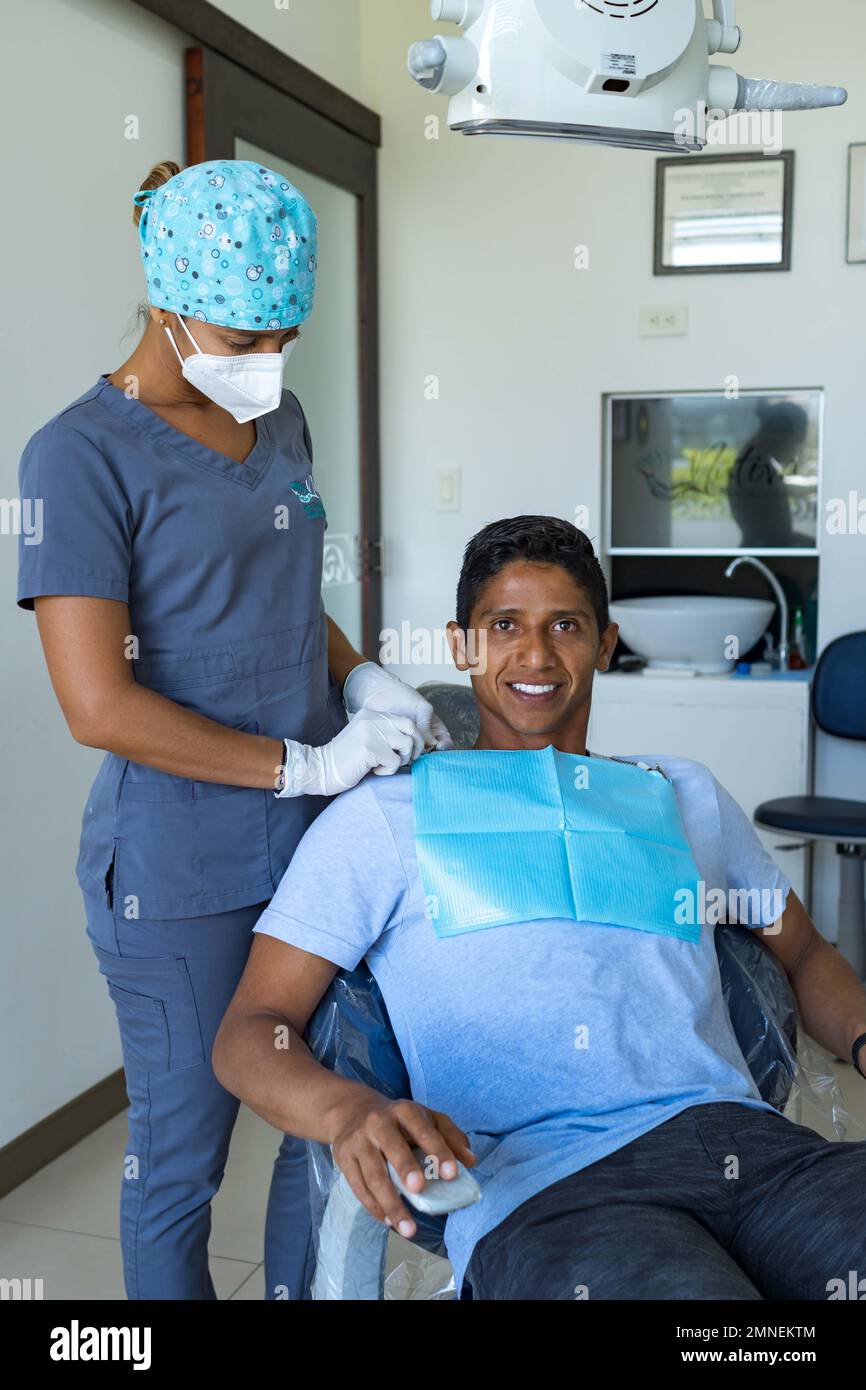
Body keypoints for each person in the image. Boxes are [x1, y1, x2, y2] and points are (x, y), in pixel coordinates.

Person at [213, 515, 866, 1300]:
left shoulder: (680, 791)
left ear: (605, 643)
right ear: (461, 645)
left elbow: (801, 953)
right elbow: (252, 1028)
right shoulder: (382, 819)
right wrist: (347, 1109)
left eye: (565, 625)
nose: (535, 655)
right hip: (553, 1191)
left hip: (756, 1154)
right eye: (503, 627)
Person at [16, 158, 447, 1301]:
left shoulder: (282, 418)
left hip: (317, 845)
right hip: (180, 869)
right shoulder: (77, 455)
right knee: (180, 1161)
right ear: (168, 297)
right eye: (243, 335)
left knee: (327, 1127)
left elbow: (283, 601)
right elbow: (94, 704)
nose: (265, 361)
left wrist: (365, 686)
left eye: (282, 336)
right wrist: (302, 760)